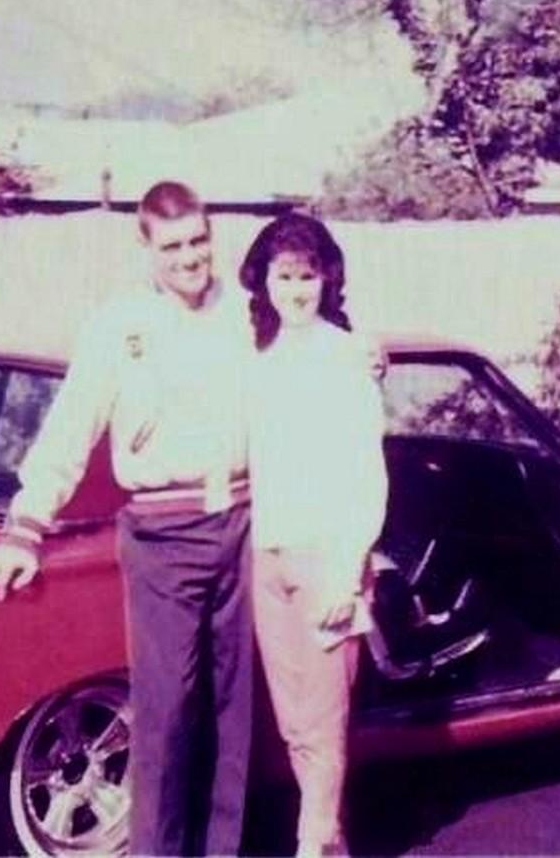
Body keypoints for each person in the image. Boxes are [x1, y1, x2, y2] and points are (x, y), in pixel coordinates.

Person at [0, 180, 254, 857]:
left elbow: (310, 353)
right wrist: (24, 527)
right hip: (161, 535)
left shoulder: (246, 314)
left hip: (243, 525)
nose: (190, 257)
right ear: (148, 250)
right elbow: (70, 427)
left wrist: (364, 355)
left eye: (199, 241)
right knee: (167, 712)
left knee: (233, 711)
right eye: (174, 246)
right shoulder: (118, 328)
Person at [237, 213, 387, 858]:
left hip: (329, 560)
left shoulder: (347, 355)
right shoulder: (253, 353)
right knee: (295, 721)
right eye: (284, 276)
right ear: (264, 280)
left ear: (327, 278)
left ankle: (309, 845)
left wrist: (347, 573)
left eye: (308, 275)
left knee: (325, 723)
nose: (297, 289)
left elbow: (366, 473)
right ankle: (331, 843)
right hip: (265, 557)